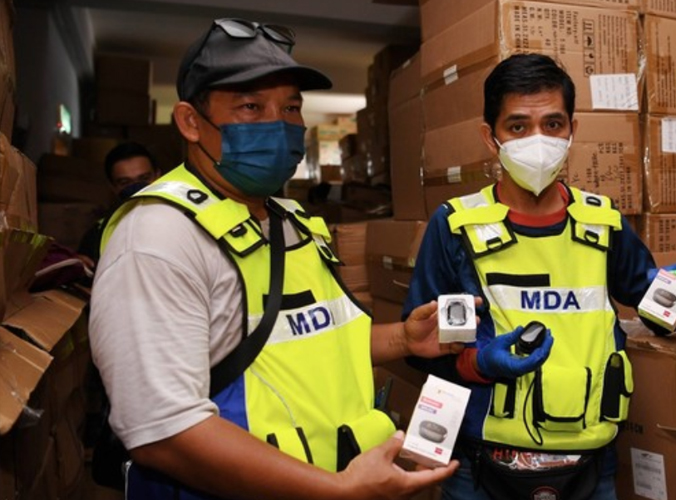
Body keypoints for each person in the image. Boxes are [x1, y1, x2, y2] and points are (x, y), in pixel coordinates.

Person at [89, 18, 462, 500]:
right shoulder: (159, 235)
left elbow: (307, 346)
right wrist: (338, 490)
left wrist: (403, 338)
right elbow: (163, 431)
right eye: (251, 106)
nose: (279, 124)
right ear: (190, 122)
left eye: (290, 107)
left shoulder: (291, 220)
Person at [402, 53, 676, 500]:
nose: (538, 140)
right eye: (518, 126)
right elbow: (419, 347)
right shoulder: (455, 226)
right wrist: (479, 363)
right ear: (490, 137)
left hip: (592, 465)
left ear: (572, 130)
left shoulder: (603, 222)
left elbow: (656, 311)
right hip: (482, 465)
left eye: (552, 124)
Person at [77, 141, 160, 266]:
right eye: (125, 182)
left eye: (144, 179)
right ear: (112, 187)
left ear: (158, 176)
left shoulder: (179, 219)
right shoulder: (98, 235)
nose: (136, 188)